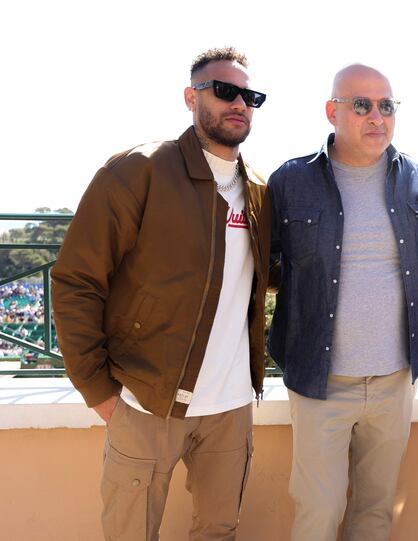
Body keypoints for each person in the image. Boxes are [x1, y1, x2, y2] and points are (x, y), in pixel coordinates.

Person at [51, 47, 271, 540]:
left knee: (218, 532)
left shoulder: (258, 189)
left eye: (249, 95)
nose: (239, 103)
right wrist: (99, 391)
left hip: (230, 408)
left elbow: (261, 276)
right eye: (224, 91)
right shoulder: (138, 171)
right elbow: (76, 280)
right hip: (146, 401)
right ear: (192, 97)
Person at [267, 64, 418, 541]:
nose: (376, 116)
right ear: (332, 111)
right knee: (318, 510)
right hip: (321, 381)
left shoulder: (416, 181)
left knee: (376, 513)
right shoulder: (291, 180)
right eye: (361, 105)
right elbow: (264, 265)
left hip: (395, 378)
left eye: (386, 105)